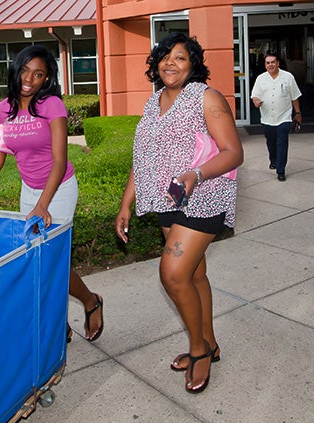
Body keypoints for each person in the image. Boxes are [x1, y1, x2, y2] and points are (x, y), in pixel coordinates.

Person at [0, 45, 105, 343]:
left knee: (51, 259)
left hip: (58, 189)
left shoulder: (51, 105)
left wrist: (44, 205)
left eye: (38, 74)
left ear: (46, 79)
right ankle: (69, 314)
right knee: (37, 260)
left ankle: (86, 303)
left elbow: (60, 160)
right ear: (15, 70)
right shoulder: (4, 109)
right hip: (29, 191)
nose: (29, 79)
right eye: (24, 70)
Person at [114, 33, 243, 394]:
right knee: (194, 276)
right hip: (164, 202)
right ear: (156, 64)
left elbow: (233, 152)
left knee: (172, 274)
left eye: (181, 58)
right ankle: (211, 344)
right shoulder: (152, 103)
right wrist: (126, 203)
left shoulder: (207, 98)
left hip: (202, 199)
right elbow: (142, 160)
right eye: (165, 57)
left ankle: (199, 351)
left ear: (193, 65)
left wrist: (196, 174)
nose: (171, 63)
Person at [250, 52, 302, 182]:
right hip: (267, 118)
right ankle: (273, 159)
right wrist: (256, 102)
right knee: (271, 143)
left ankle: (281, 170)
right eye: (268, 63)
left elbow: (294, 96)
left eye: (273, 62)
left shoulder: (288, 77)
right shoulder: (261, 79)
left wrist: (298, 113)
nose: (270, 65)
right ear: (265, 65)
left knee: (282, 143)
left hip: (284, 117)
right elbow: (255, 95)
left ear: (278, 63)